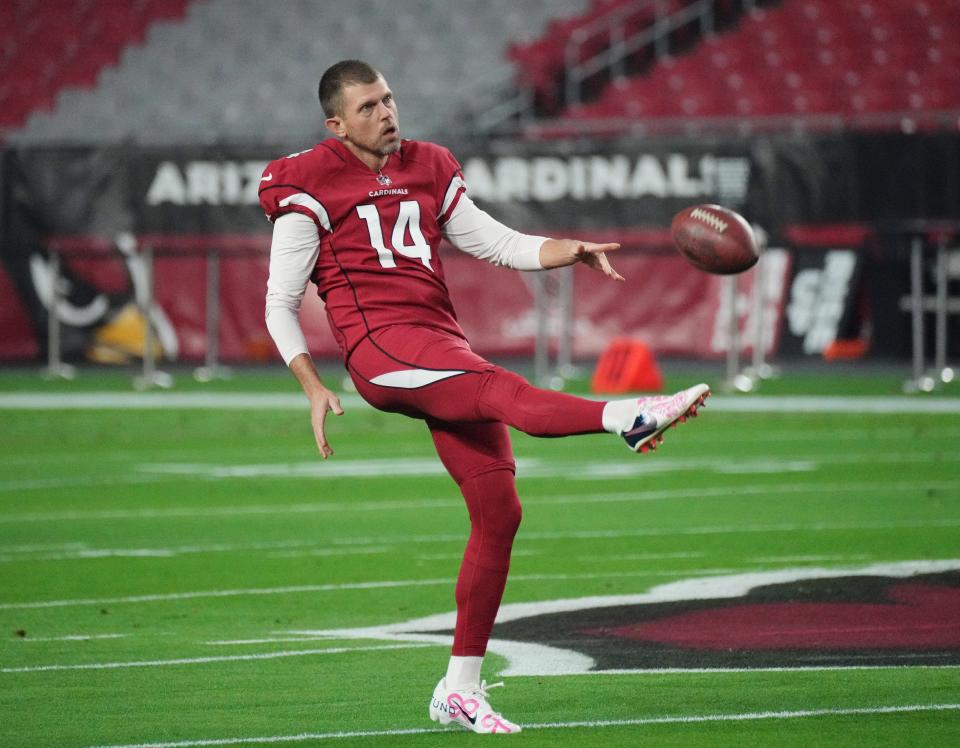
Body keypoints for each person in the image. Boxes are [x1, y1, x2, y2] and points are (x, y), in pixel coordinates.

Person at [261, 59, 709, 735]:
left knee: (499, 514)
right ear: (336, 124)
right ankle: (628, 415)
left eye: (388, 99)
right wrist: (312, 383)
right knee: (504, 391)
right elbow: (279, 299)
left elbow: (493, 242)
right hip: (381, 349)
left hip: (439, 339)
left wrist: (569, 249)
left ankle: (459, 688)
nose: (386, 113)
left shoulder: (429, 163)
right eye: (368, 107)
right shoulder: (307, 179)